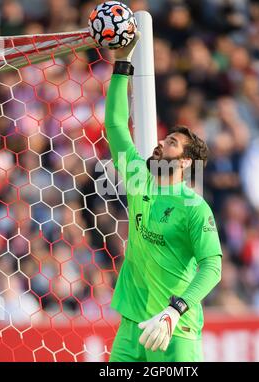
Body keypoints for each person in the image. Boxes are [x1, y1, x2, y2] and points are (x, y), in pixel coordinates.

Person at [105, 33, 222, 362]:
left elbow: (213, 266)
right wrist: (122, 62)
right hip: (132, 325)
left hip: (175, 329)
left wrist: (176, 310)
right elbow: (115, 124)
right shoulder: (139, 178)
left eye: (170, 142)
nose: (159, 143)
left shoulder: (195, 207)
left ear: (185, 163)